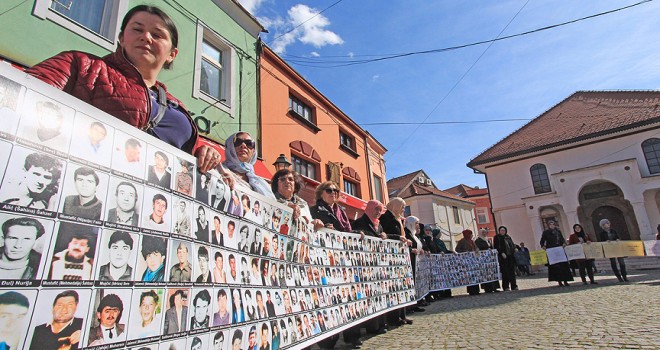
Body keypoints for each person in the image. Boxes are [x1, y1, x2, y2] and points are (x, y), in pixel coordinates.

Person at [26, 5, 222, 173]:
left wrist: (204, 154)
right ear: (121, 38)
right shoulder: (81, 65)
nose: (146, 37)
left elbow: (185, 158)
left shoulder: (178, 106)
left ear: (172, 54)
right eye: (137, 29)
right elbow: (25, 97)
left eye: (157, 34)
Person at [378, 197, 413, 326]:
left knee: (402, 286)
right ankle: (394, 317)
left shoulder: (398, 218)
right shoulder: (385, 217)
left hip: (401, 256)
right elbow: (385, 235)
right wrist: (400, 238)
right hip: (391, 258)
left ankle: (402, 315)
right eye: (402, 206)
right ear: (395, 206)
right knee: (394, 288)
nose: (404, 209)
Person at [222, 132, 275, 198]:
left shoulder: (262, 184)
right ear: (230, 146)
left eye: (249, 143)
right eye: (238, 142)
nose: (243, 145)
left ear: (253, 151)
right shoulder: (219, 170)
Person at [540, 220, 573, 287]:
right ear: (548, 226)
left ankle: (565, 281)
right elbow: (542, 241)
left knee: (564, 266)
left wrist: (563, 243)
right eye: (550, 224)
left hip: (560, 250)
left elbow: (562, 239)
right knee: (556, 267)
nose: (552, 225)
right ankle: (559, 281)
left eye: (553, 224)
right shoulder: (546, 232)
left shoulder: (558, 231)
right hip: (552, 251)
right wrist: (543, 246)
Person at [455, 229, 481, 296]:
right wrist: (465, 251)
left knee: (474, 275)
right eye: (470, 234)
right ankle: (471, 291)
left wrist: (477, 250)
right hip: (466, 261)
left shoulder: (472, 241)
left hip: (473, 260)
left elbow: (476, 248)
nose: (471, 235)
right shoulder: (462, 241)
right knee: (469, 276)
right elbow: (457, 249)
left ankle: (476, 290)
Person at [474, 228, 500, 293]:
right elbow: (478, 249)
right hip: (483, 260)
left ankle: (494, 287)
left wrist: (494, 251)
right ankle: (487, 288)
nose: (484, 234)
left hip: (490, 259)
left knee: (492, 273)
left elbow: (491, 247)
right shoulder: (478, 241)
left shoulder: (488, 240)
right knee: (486, 274)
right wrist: (485, 250)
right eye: (483, 233)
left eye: (485, 232)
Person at [493, 225, 518, 291]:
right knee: (505, 272)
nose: (502, 231)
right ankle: (505, 286)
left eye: (503, 230)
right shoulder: (497, 237)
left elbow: (512, 244)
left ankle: (514, 286)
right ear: (499, 231)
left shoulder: (508, 237)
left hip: (510, 256)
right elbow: (496, 246)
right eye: (501, 230)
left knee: (512, 272)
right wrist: (501, 253)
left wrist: (515, 248)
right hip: (503, 257)